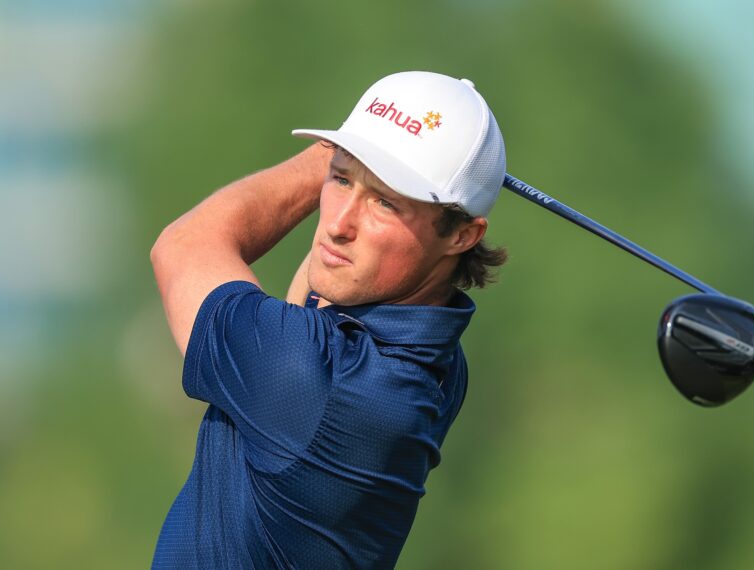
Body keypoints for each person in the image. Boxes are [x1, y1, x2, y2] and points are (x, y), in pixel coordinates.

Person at [149, 71, 507, 569]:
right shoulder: (437, 359)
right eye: (340, 180)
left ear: (463, 235)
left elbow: (184, 247)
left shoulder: (321, 382)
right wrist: (368, 150)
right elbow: (316, 293)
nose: (339, 224)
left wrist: (328, 153)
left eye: (386, 202)